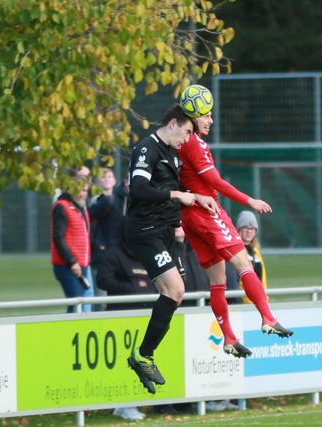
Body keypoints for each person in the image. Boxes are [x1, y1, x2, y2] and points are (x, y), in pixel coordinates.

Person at [177, 90, 293, 360]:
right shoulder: (195, 144)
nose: (211, 120)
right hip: (207, 212)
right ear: (193, 116)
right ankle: (267, 317)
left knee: (217, 282)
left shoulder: (178, 143)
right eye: (206, 114)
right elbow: (216, 181)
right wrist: (249, 200)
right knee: (245, 264)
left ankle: (228, 337)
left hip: (189, 217)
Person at [124, 104, 219, 395]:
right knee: (175, 290)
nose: (187, 139)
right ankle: (143, 355)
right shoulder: (147, 148)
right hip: (144, 232)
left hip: (165, 234)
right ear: (174, 123)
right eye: (187, 132)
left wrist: (197, 198)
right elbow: (138, 189)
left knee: (177, 293)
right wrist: (177, 194)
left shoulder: (173, 153)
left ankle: (144, 355)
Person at [96, 238, 153, 421]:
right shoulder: (113, 253)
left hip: (144, 315)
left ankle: (127, 405)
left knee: (140, 361)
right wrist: (129, 289)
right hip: (120, 317)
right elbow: (103, 280)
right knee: (124, 362)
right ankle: (124, 405)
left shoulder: (147, 251)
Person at [51, 169, 94, 313]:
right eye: (79, 190)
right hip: (68, 265)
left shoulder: (81, 208)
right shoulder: (62, 206)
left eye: (85, 191)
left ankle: (78, 332)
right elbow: (58, 237)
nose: (81, 194)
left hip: (83, 264)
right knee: (76, 302)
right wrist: (71, 261)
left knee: (81, 301)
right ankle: (70, 334)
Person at [89, 168, 129, 311]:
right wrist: (98, 244)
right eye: (103, 177)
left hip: (116, 253)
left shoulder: (122, 200)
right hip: (101, 253)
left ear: (115, 181)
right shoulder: (99, 202)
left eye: (110, 176)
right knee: (100, 300)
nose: (106, 179)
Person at [226, 211, 267, 305]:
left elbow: (262, 280)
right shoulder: (234, 251)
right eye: (246, 228)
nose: (249, 231)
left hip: (259, 303)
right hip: (243, 304)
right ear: (239, 229)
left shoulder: (256, 251)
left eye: (252, 228)